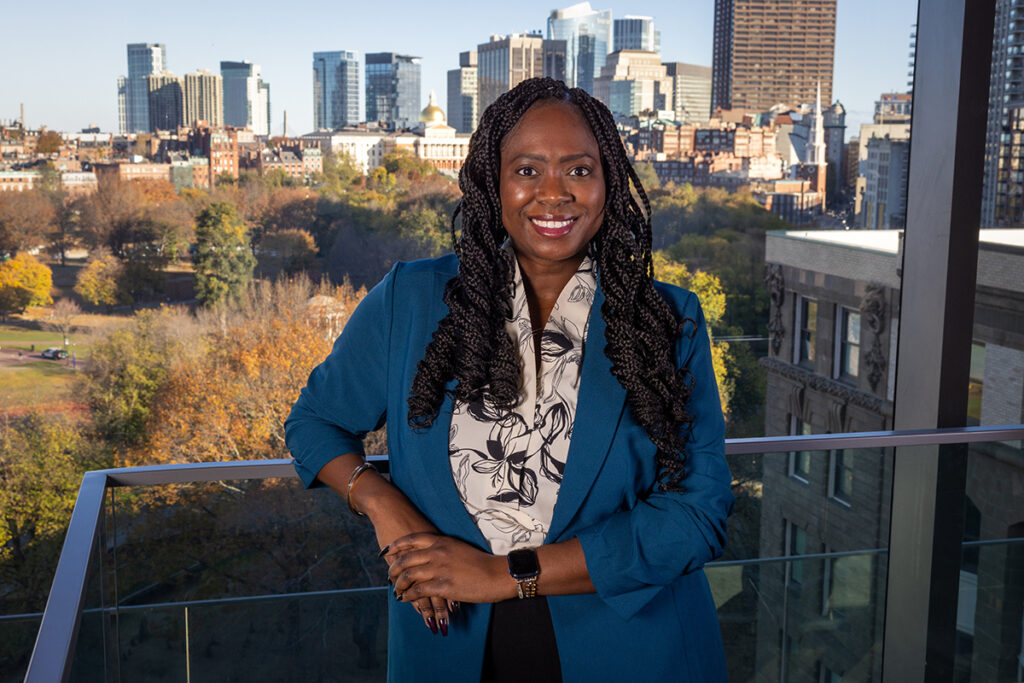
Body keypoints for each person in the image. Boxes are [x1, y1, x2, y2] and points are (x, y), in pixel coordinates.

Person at [285, 77, 733, 683]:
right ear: (491, 184)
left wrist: (504, 576)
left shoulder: (669, 321)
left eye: (579, 171)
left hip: (637, 649)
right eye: (527, 170)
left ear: (609, 185)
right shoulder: (411, 301)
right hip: (448, 651)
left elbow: (697, 514)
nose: (555, 195)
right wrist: (385, 506)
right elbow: (314, 421)